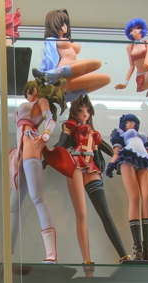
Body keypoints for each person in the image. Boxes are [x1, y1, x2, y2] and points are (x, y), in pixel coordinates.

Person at [48, 94, 128, 262]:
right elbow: (62, 142)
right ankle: (87, 261)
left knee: (105, 213)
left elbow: (101, 148)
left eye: (87, 110)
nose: (85, 113)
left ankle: (124, 255)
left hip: (91, 166)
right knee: (81, 214)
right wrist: (48, 156)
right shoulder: (70, 126)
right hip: (75, 164)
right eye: (80, 110)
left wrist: (116, 158)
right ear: (74, 111)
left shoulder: (93, 133)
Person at [10, 78, 66, 263]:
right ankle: (8, 253)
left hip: (30, 142)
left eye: (29, 90)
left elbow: (50, 120)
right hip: (20, 149)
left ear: (34, 90)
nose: (28, 93)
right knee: (14, 206)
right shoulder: (30, 104)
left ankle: (51, 254)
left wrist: (47, 134)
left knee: (37, 197)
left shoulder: (40, 101)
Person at [105, 115, 148, 260]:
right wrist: (111, 164)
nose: (131, 124)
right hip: (127, 159)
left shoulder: (141, 137)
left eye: (133, 122)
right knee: (134, 198)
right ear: (123, 124)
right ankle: (138, 250)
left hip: (144, 160)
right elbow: (116, 152)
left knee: (147, 198)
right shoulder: (120, 135)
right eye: (128, 122)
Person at [33, 9, 111, 102]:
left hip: (71, 76)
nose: (65, 26)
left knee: (106, 78)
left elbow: (77, 47)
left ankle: (76, 94)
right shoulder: (53, 40)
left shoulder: (66, 41)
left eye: (66, 23)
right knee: (96, 63)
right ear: (54, 24)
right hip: (60, 76)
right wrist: (44, 75)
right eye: (62, 23)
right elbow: (49, 58)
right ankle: (52, 74)